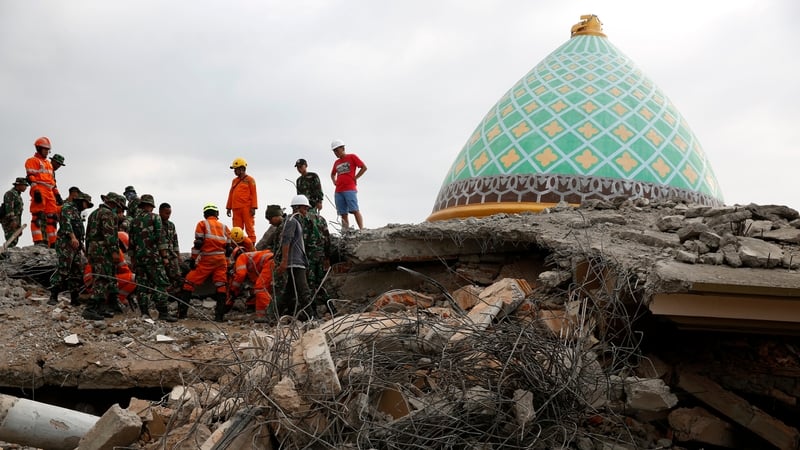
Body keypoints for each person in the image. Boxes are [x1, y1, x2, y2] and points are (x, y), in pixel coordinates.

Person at [176, 203, 233, 321]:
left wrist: (193, 259)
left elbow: (198, 243)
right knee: (221, 286)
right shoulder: (224, 227)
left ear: (205, 214)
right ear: (217, 214)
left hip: (207, 259)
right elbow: (228, 249)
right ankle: (219, 317)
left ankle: (182, 314)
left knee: (189, 283)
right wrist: (226, 264)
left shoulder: (202, 224)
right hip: (221, 260)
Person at [129, 194, 176, 322]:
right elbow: (160, 239)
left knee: (142, 286)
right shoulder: (155, 218)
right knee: (160, 283)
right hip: (154, 258)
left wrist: (133, 260)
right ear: (151, 205)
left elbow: (131, 243)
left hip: (139, 259)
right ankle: (163, 313)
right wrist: (165, 257)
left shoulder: (134, 221)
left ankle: (144, 312)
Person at [84, 192, 126, 320]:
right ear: (114, 204)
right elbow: (110, 235)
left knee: (102, 276)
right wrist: (114, 252)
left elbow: (88, 235)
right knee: (102, 278)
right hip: (103, 251)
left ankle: (101, 308)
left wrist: (88, 252)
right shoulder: (108, 214)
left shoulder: (94, 213)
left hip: (93, 249)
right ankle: (90, 308)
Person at [49, 192, 93, 306]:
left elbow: (79, 232)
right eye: (86, 204)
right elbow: (65, 223)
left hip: (76, 245)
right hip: (66, 243)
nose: (86, 207)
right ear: (81, 201)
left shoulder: (77, 213)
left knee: (76, 271)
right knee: (64, 268)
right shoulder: (68, 208)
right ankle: (53, 295)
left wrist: (82, 247)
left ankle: (75, 298)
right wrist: (72, 237)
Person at [276, 195, 313, 319]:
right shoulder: (291, 221)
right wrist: (284, 261)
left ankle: (274, 315)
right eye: (305, 208)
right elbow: (286, 241)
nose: (306, 211)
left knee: (289, 291)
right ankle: (311, 317)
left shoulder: (295, 221)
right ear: (297, 207)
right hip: (294, 263)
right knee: (304, 291)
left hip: (298, 261)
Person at [25, 137, 61, 246]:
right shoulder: (32, 161)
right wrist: (35, 191)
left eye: (48, 150)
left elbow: (52, 181)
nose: (46, 151)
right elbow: (30, 176)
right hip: (39, 189)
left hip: (49, 191)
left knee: (52, 218)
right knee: (38, 216)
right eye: (45, 149)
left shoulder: (48, 164)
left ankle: (53, 242)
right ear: (39, 148)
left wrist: (57, 194)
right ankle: (38, 240)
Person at [229, 248, 275, 323]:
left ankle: (270, 313)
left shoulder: (241, 257)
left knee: (260, 288)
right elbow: (254, 282)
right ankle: (262, 314)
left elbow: (241, 275)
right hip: (273, 261)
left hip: (269, 262)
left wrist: (233, 289)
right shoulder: (253, 260)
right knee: (264, 289)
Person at [330, 139, 367, 230]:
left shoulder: (352, 157)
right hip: (338, 190)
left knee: (354, 210)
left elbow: (363, 167)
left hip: (349, 188)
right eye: (334, 151)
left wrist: (355, 177)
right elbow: (332, 174)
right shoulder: (336, 162)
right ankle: (345, 233)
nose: (336, 153)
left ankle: (362, 229)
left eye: (337, 150)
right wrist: (334, 181)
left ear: (343, 148)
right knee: (343, 214)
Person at [225, 158, 258, 243]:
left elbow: (254, 194)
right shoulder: (234, 181)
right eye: (234, 169)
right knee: (236, 229)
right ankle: (238, 244)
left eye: (236, 169)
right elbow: (231, 194)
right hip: (235, 208)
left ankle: (252, 243)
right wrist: (228, 207)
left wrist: (253, 207)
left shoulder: (250, 180)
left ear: (242, 169)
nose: (235, 171)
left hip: (246, 208)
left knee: (249, 227)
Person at [159, 202, 182, 295]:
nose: (168, 216)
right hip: (161, 255)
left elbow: (175, 241)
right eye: (166, 213)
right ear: (160, 212)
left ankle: (175, 292)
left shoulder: (171, 225)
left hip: (172, 254)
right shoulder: (156, 222)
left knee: (177, 274)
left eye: (169, 213)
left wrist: (178, 255)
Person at [1, 177, 30, 248]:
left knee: (14, 239)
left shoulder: (17, 195)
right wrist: (13, 221)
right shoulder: (10, 194)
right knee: (11, 239)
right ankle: (3, 255)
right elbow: (9, 208)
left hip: (16, 220)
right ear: (18, 185)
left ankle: (5, 253)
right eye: (24, 185)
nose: (25, 187)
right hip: (9, 220)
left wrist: (18, 225)